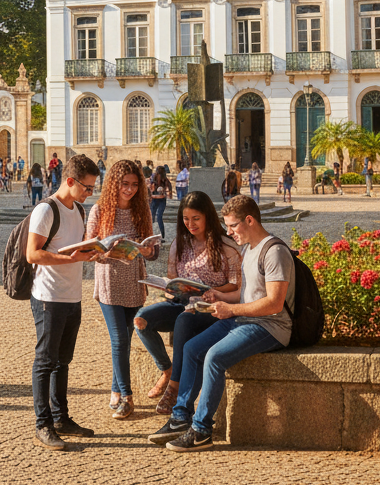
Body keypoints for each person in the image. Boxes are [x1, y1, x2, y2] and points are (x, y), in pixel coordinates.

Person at [148, 195, 295, 452]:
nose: (228, 232)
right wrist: (219, 296)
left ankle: (202, 430)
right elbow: (246, 293)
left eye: (232, 226)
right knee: (192, 349)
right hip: (243, 318)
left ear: (249, 220)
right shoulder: (249, 248)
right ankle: (181, 417)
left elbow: (274, 303)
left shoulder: (275, 252)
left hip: (270, 326)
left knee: (214, 356)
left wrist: (231, 309)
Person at [133, 191, 242, 415]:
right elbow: (172, 277)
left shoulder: (226, 246)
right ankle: (167, 368)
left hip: (210, 306)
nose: (190, 224)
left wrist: (213, 292)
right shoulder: (179, 243)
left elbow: (235, 284)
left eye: (196, 218)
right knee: (141, 319)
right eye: (185, 218)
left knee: (184, 320)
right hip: (182, 302)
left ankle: (174, 389)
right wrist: (170, 289)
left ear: (207, 217)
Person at [26, 153, 100, 451]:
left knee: (64, 361)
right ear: (69, 181)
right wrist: (68, 259)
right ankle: (42, 424)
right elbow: (33, 254)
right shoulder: (46, 210)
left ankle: (61, 418)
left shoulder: (79, 211)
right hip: (49, 296)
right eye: (86, 187)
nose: (89, 192)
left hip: (72, 295)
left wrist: (96, 252)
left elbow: (76, 249)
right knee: (45, 360)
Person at [88, 158, 160, 419]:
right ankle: (127, 398)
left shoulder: (142, 211)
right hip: (108, 282)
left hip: (133, 283)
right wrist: (105, 251)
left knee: (125, 341)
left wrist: (146, 250)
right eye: (124, 184)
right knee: (118, 340)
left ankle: (116, 389)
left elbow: (152, 252)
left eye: (134, 185)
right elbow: (88, 251)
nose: (129, 190)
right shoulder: (99, 211)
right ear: (113, 184)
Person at [149, 168, 172, 241]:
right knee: (152, 217)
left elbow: (169, 189)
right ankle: (150, 234)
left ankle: (161, 236)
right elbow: (150, 191)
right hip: (155, 200)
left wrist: (166, 193)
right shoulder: (154, 180)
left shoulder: (165, 180)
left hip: (161, 200)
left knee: (159, 217)